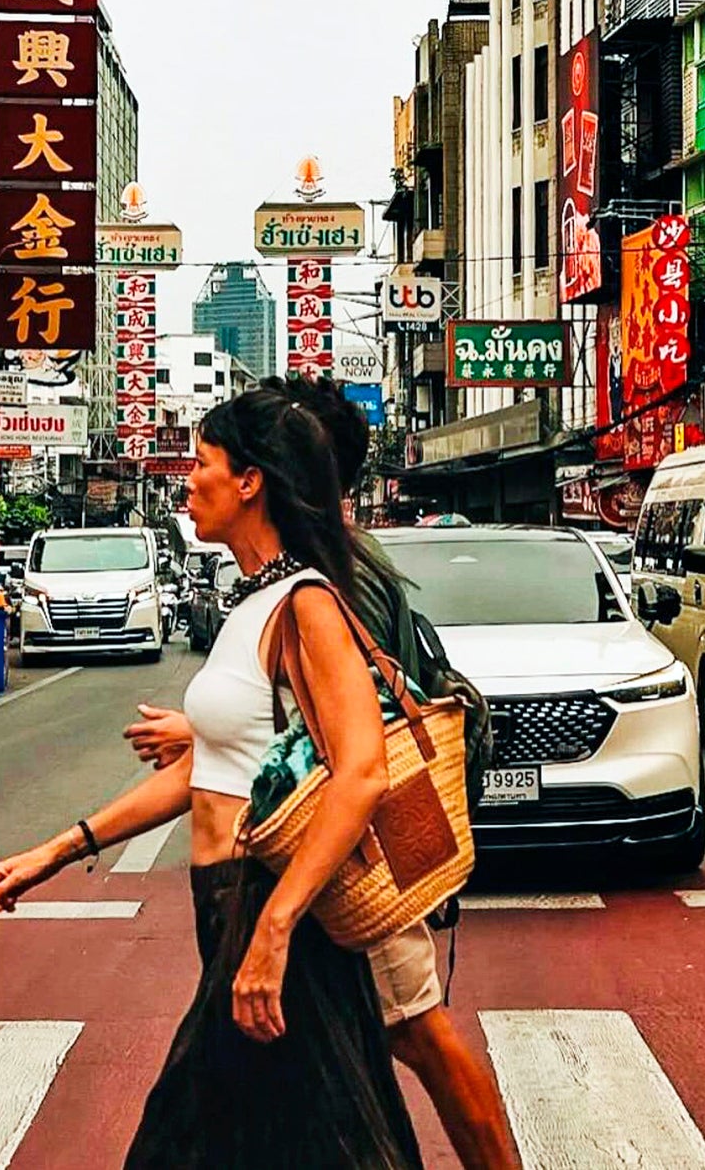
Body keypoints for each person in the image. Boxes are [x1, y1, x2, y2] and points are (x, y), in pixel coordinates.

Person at [0, 389, 423, 1169]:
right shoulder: (256, 603)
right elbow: (206, 772)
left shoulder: (306, 603)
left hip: (276, 909)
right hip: (229, 909)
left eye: (204, 464)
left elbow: (361, 771)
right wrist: (54, 851)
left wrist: (274, 929)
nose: (188, 481)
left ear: (250, 481)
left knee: (187, 1142)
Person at [128, 375, 520, 1170]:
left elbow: (345, 734)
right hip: (313, 863)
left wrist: (273, 925)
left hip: (343, 860)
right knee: (339, 1087)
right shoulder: (298, 573)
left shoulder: (328, 580)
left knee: (415, 1034)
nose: (193, 478)